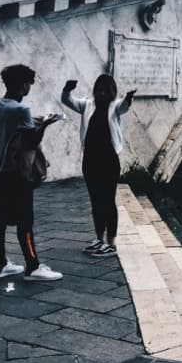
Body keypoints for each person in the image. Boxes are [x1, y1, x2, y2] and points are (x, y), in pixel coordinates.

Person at [0, 64, 63, 281]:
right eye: (29, 83)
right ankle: (32, 266)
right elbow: (31, 141)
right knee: (25, 220)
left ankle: (0, 265)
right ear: (22, 85)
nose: (30, 87)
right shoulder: (22, 110)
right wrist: (46, 124)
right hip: (18, 175)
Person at [61, 75, 135, 257]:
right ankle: (99, 239)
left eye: (107, 88)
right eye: (100, 88)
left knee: (108, 201)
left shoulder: (115, 106)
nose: (103, 91)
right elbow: (68, 101)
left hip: (109, 160)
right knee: (95, 201)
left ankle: (111, 243)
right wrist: (67, 89)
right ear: (95, 89)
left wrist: (128, 98)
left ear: (112, 90)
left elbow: (124, 107)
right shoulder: (87, 104)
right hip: (90, 159)